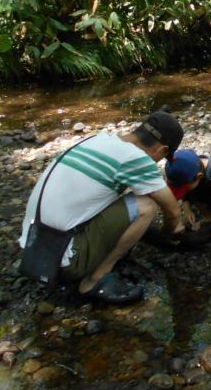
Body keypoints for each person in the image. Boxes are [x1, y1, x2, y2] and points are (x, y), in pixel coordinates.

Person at [18, 111, 185, 304]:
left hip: (31, 247)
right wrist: (167, 234)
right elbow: (173, 211)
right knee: (147, 204)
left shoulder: (96, 140)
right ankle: (93, 281)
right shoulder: (136, 158)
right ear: (163, 150)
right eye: (163, 158)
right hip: (64, 262)